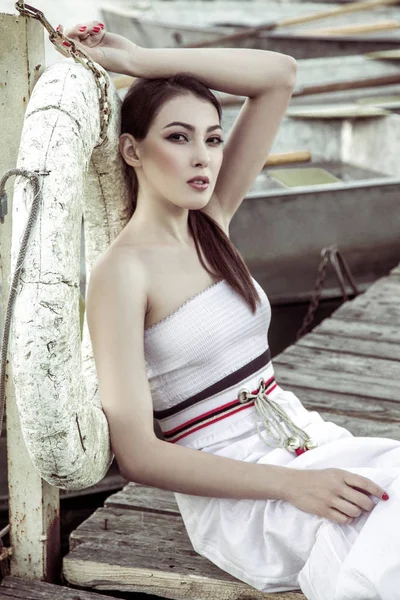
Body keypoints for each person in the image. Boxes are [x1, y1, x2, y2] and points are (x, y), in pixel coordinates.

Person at [62, 20, 400, 600]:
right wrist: (290, 488)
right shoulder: (121, 273)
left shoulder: (210, 221)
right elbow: (139, 455)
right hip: (242, 494)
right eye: (177, 137)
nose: (203, 157)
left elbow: (278, 76)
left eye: (213, 138)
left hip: (304, 440)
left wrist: (139, 59)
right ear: (131, 149)